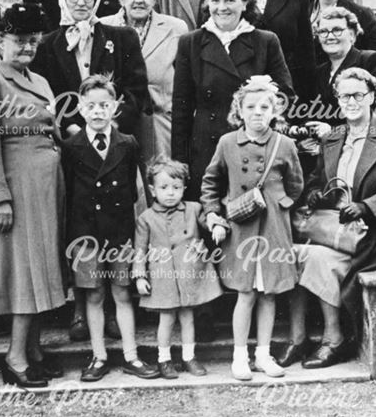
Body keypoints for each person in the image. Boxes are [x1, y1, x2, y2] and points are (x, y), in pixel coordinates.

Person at [278, 68, 376, 369]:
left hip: (374, 235)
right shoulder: (334, 137)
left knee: (315, 259)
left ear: (372, 97)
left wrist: (367, 206)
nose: (351, 101)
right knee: (294, 254)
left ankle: (333, 338)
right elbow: (317, 179)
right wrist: (315, 194)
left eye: (358, 95)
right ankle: (298, 338)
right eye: (344, 95)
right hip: (335, 230)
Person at [0, 4, 66, 389]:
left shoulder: (40, 81)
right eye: (18, 40)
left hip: (47, 184)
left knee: (42, 265)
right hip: (18, 185)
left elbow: (53, 130)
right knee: (25, 270)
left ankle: (35, 350)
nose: (26, 46)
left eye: (32, 40)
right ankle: (15, 356)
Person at [200, 75, 304, 381]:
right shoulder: (227, 143)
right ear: (239, 111)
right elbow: (210, 182)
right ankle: (239, 355)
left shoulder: (284, 144)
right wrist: (213, 214)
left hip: (273, 228)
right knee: (245, 293)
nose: (257, 112)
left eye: (264, 106)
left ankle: (263, 354)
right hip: (241, 229)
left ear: (274, 111)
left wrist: (281, 203)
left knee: (269, 293)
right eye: (250, 106)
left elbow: (296, 184)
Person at [61, 75, 158, 382]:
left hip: (119, 233)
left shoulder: (127, 143)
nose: (98, 111)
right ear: (80, 107)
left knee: (122, 293)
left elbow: (132, 189)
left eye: (104, 105)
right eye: (91, 106)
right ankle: (98, 356)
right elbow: (68, 193)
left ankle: (131, 356)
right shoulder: (71, 147)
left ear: (115, 107)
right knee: (92, 295)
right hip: (86, 234)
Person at [171, 0, 294, 199]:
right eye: (215, 0)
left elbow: (286, 95)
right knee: (212, 217)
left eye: (230, 0)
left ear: (244, 3)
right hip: (206, 147)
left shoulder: (265, 41)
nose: (222, 7)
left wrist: (264, 91)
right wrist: (180, 161)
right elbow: (181, 108)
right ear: (208, 4)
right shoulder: (191, 42)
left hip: (254, 146)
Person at [31, 0, 149, 137]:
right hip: (69, 138)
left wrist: (111, 126)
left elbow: (136, 90)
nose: (81, 2)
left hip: (116, 135)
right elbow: (46, 96)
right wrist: (75, 131)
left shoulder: (123, 37)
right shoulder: (46, 45)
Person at [133, 158, 222, 378]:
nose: (170, 193)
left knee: (187, 317)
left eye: (176, 187)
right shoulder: (146, 218)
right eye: (164, 188)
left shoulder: (193, 209)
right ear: (153, 190)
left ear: (184, 188)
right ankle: (164, 360)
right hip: (163, 277)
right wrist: (139, 276)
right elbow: (139, 250)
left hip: (189, 274)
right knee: (166, 319)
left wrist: (217, 223)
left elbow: (208, 223)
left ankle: (189, 357)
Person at [101, 0, 188, 161]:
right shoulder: (103, 27)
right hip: (117, 125)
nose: (138, 0)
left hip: (161, 125)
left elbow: (186, 82)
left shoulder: (176, 28)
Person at [311, 9, 376, 128]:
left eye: (337, 30)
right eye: (323, 31)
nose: (330, 36)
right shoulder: (320, 72)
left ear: (352, 34)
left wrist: (334, 132)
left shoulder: (371, 61)